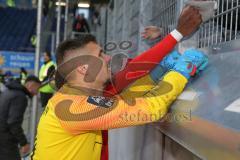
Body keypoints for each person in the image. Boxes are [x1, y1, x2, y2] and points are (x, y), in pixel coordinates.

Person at [31, 6, 206, 160]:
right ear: (83, 69)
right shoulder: (76, 108)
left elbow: (124, 100)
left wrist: (155, 75)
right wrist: (181, 71)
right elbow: (150, 108)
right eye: (100, 54)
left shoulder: (74, 97)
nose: (108, 58)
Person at [0, 76, 41, 160]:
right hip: (5, 139)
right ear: (31, 85)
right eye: (37, 88)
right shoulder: (20, 97)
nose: (37, 93)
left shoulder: (9, 91)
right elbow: (13, 123)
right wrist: (24, 143)